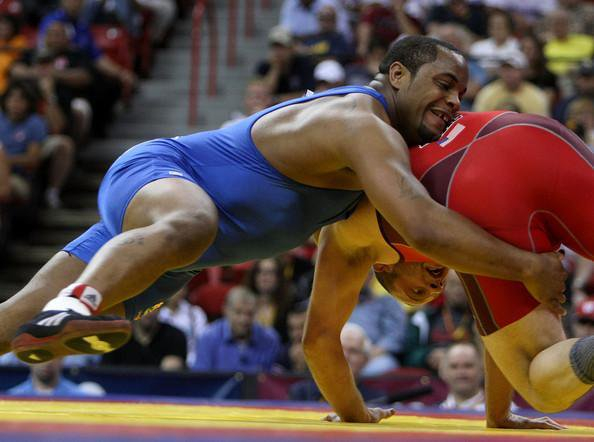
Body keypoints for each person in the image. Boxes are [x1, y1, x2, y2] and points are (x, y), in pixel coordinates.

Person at [3, 36, 565, 377]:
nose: (454, 101)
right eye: (443, 84)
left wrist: (360, 414)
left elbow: (322, 333)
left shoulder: (381, 171)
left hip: (169, 252)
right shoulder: (361, 122)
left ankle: (64, 309)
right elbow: (423, 226)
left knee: (17, 320)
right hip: (165, 177)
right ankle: (77, 303)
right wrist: (527, 266)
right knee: (191, 224)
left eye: (461, 92)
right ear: (397, 74)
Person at [305, 111, 591, 427]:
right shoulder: (447, 232)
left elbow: (317, 340)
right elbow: (499, 335)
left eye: (417, 291)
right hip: (532, 132)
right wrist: (498, 416)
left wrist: (354, 413)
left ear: (384, 266)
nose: (436, 287)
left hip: (479, 184)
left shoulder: (348, 239)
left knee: (542, 387)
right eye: (433, 292)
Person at [192, 286, 281, 373]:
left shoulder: (269, 339)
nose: (244, 320)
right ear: (226, 310)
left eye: (249, 314)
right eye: (238, 312)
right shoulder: (208, 338)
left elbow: (272, 379)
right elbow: (200, 378)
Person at [5, 357, 104, 396]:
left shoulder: (80, 397)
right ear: (29, 360)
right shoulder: (12, 398)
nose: (47, 362)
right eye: (40, 356)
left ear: (62, 359)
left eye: (52, 356)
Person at [438, 342, 485, 411]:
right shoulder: (431, 413)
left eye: (468, 366)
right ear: (442, 372)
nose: (461, 372)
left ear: (482, 370)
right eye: (454, 366)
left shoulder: (497, 413)